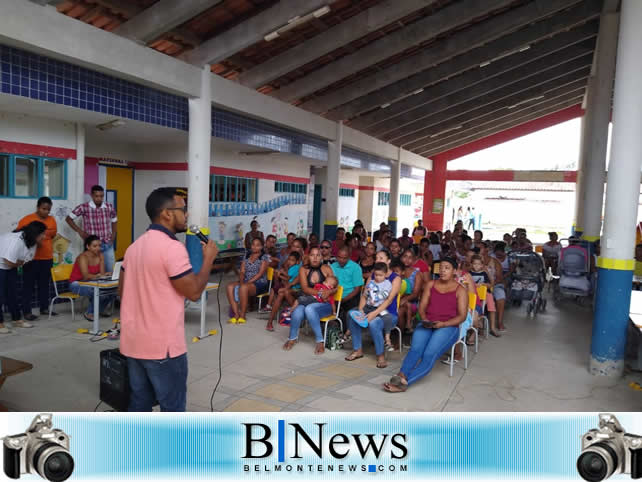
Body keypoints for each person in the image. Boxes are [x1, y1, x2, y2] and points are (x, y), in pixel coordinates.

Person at [119, 187, 219, 411]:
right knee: (172, 408)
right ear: (167, 213)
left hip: (133, 343)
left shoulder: (134, 248)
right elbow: (193, 293)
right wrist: (208, 260)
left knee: (139, 404)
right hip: (162, 348)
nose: (187, 216)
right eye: (183, 209)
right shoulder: (172, 248)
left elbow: (122, 292)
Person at [383, 257, 468, 392]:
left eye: (447, 268)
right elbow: (422, 307)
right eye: (441, 268)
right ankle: (401, 375)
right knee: (415, 349)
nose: (443, 271)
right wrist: (424, 319)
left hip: (448, 326)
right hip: (428, 323)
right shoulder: (430, 284)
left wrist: (443, 324)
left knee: (429, 354)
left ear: (455, 271)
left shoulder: (460, 290)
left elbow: (462, 316)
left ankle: (404, 383)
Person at [345, 250, 401, 369]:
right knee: (352, 314)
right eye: (376, 258)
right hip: (370, 308)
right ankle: (357, 349)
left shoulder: (395, 279)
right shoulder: (373, 276)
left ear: (388, 261)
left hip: (387, 313)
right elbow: (365, 295)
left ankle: (380, 355)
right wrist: (361, 310)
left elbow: (389, 300)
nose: (377, 260)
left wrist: (373, 314)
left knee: (374, 323)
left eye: (381, 258)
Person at [283, 247, 336, 354]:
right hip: (309, 300)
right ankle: (292, 338)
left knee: (309, 309)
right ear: (308, 256)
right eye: (312, 255)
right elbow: (305, 288)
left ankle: (319, 341)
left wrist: (329, 292)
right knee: (298, 311)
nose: (315, 258)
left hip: (324, 304)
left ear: (321, 257)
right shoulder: (303, 269)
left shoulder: (326, 268)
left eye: (318, 255)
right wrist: (321, 293)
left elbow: (335, 286)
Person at [0, 221, 46, 333]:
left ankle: (17, 319)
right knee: (0, 295)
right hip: (3, 265)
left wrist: (19, 263)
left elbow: (26, 259)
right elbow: (8, 261)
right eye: (42, 234)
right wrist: (19, 263)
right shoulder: (16, 241)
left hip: (11, 266)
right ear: (35, 234)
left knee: (13, 294)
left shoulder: (32, 242)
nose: (44, 237)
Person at [17, 197, 57, 321]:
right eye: (44, 209)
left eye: (48, 210)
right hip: (30, 259)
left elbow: (53, 234)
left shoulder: (52, 220)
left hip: (47, 258)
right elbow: (19, 236)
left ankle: (44, 308)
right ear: (38, 207)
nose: (46, 212)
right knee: (28, 285)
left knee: (45, 284)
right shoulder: (27, 220)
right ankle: (27, 312)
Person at [66, 185, 117, 272]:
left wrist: (113, 236)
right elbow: (68, 219)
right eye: (97, 196)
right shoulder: (84, 207)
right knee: (92, 271)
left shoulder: (109, 207)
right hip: (92, 246)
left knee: (110, 271)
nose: (99, 198)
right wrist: (80, 231)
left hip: (107, 244)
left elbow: (114, 221)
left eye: (101, 196)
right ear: (92, 196)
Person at [349, 262, 396, 350]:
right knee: (356, 315)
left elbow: (385, 295)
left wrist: (375, 296)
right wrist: (368, 291)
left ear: (385, 275)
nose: (378, 277)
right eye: (376, 275)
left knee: (388, 317)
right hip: (369, 306)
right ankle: (349, 333)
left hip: (379, 308)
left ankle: (387, 338)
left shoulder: (387, 284)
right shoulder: (371, 282)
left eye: (380, 275)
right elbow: (365, 295)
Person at [68, 235, 115, 321]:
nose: (98, 248)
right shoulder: (83, 257)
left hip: (91, 282)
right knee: (98, 292)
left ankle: (98, 310)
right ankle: (90, 313)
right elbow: (85, 276)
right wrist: (99, 276)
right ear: (87, 247)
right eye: (94, 246)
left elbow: (102, 273)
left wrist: (106, 274)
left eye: (99, 246)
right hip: (77, 283)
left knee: (111, 292)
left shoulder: (100, 255)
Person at [226, 237, 270, 324]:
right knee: (229, 286)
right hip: (246, 281)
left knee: (243, 288)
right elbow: (242, 271)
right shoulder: (246, 255)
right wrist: (242, 281)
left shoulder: (264, 257)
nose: (254, 247)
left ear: (261, 247)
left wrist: (247, 283)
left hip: (259, 283)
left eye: (257, 245)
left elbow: (260, 274)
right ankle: (236, 314)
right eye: (253, 244)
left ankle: (242, 315)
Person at [265, 251, 302, 331]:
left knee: (282, 292)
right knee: (281, 293)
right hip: (290, 288)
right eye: (289, 260)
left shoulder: (296, 267)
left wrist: (280, 273)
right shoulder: (292, 267)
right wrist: (280, 275)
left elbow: (288, 278)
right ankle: (270, 322)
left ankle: (270, 322)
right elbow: (288, 280)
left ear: (297, 261)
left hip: (297, 289)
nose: (289, 261)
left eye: (292, 260)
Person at [331, 245, 364, 331]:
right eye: (339, 257)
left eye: (344, 258)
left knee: (348, 312)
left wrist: (344, 299)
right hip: (334, 296)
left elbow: (357, 289)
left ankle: (343, 331)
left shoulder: (356, 267)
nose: (341, 260)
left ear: (349, 257)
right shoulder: (332, 266)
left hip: (350, 296)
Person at [469, 254, 500, 337]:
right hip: (473, 295)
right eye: (474, 264)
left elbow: (490, 285)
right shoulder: (469, 274)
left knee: (491, 307)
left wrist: (483, 284)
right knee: (476, 306)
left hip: (485, 293)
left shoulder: (484, 274)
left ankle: (492, 328)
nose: (476, 266)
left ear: (482, 265)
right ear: (471, 264)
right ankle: (478, 325)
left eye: (478, 264)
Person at [397, 249, 424, 342]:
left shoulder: (417, 274)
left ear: (414, 260)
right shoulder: (397, 271)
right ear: (401, 257)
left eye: (410, 257)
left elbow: (416, 294)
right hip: (397, 299)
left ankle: (399, 339)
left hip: (412, 302)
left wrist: (404, 300)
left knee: (400, 311)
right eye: (405, 256)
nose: (407, 260)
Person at [481, 242, 507, 332]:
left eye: (480, 248)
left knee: (501, 296)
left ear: (486, 250)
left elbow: (499, 277)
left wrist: (491, 284)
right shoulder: (473, 261)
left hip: (494, 285)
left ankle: (500, 322)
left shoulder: (495, 262)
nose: (477, 250)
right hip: (479, 286)